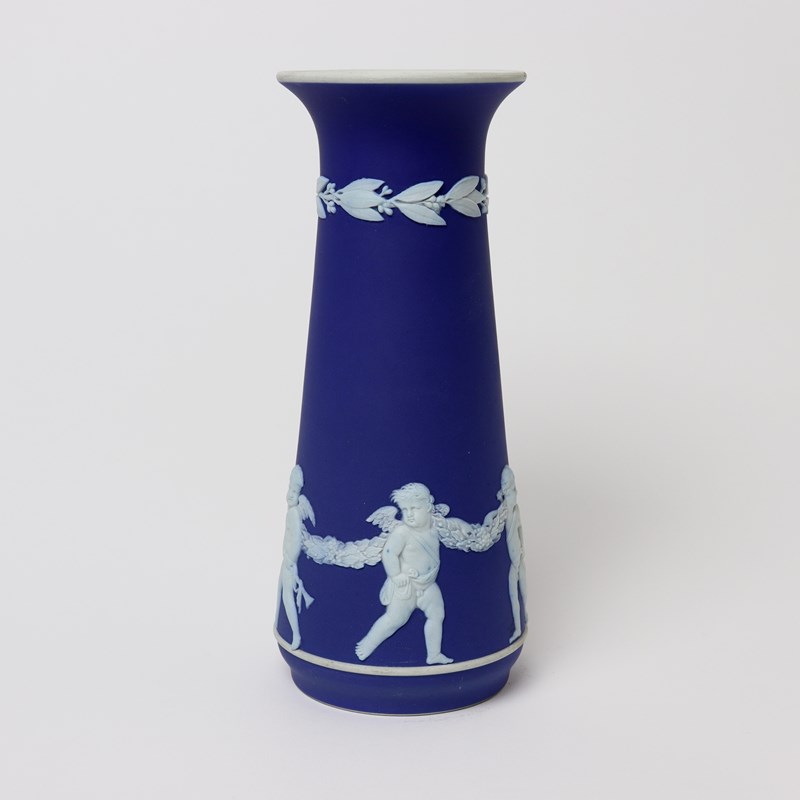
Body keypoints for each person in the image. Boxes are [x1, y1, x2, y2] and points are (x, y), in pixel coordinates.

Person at [355, 483, 453, 665]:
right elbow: (389, 553)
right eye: (405, 510)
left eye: (414, 508)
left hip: (428, 584)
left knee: (437, 614)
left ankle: (433, 654)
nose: (409, 514)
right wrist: (396, 575)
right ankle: (367, 644)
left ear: (428, 507)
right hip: (406, 584)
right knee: (395, 619)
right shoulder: (402, 532)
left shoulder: (434, 529)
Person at [276, 465, 315, 650]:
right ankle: (284, 630)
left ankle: (296, 635)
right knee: (281, 594)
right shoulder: (292, 511)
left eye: (295, 492)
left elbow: (297, 539)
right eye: (290, 490)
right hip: (287, 561)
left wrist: (291, 561)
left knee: (287, 597)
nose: (291, 495)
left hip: (290, 564)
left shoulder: (293, 513)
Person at [500, 466, 528, 642]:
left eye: (507, 485)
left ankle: (520, 624)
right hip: (514, 559)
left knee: (518, 592)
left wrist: (521, 553)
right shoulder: (505, 509)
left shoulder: (511, 509)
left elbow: (519, 530)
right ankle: (517, 627)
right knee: (514, 593)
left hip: (517, 558)